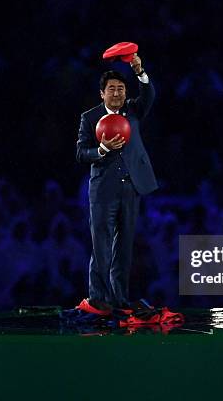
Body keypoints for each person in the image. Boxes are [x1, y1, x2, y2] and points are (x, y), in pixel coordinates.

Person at [76, 53, 157, 311]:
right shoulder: (89, 118)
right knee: (101, 243)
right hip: (103, 190)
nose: (117, 93)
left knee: (124, 247)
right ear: (102, 93)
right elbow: (80, 153)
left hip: (131, 187)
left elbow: (150, 96)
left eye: (121, 89)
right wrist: (101, 149)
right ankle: (99, 299)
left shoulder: (133, 110)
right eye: (112, 89)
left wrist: (139, 71)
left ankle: (120, 299)